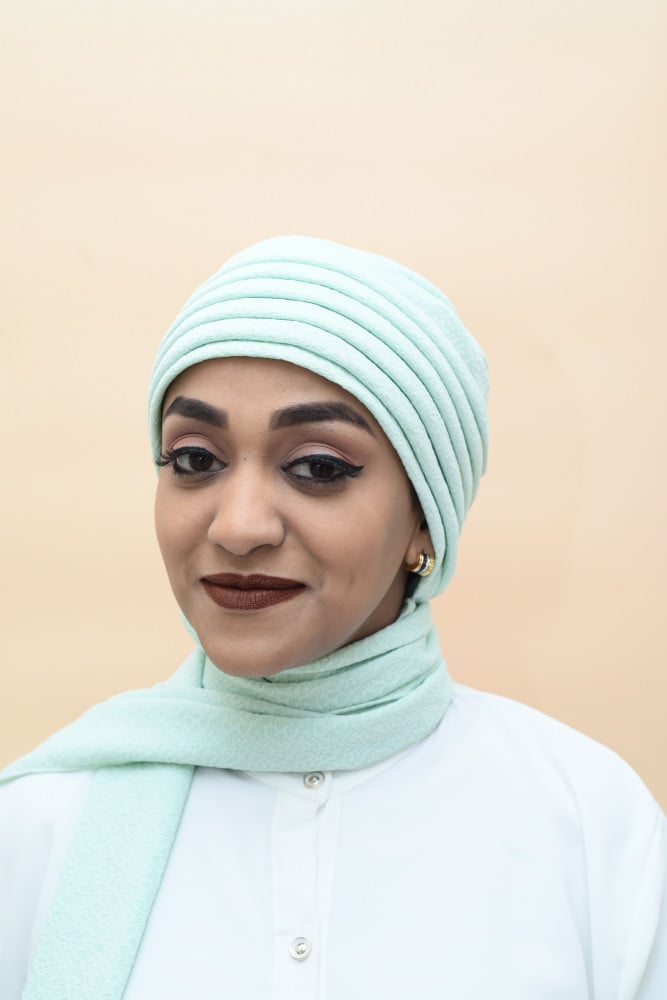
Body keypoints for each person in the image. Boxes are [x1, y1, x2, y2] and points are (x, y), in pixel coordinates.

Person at [0, 235, 664, 999]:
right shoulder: (40, 825)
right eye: (195, 460)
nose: (238, 527)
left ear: (425, 520)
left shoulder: (588, 825)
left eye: (317, 467)